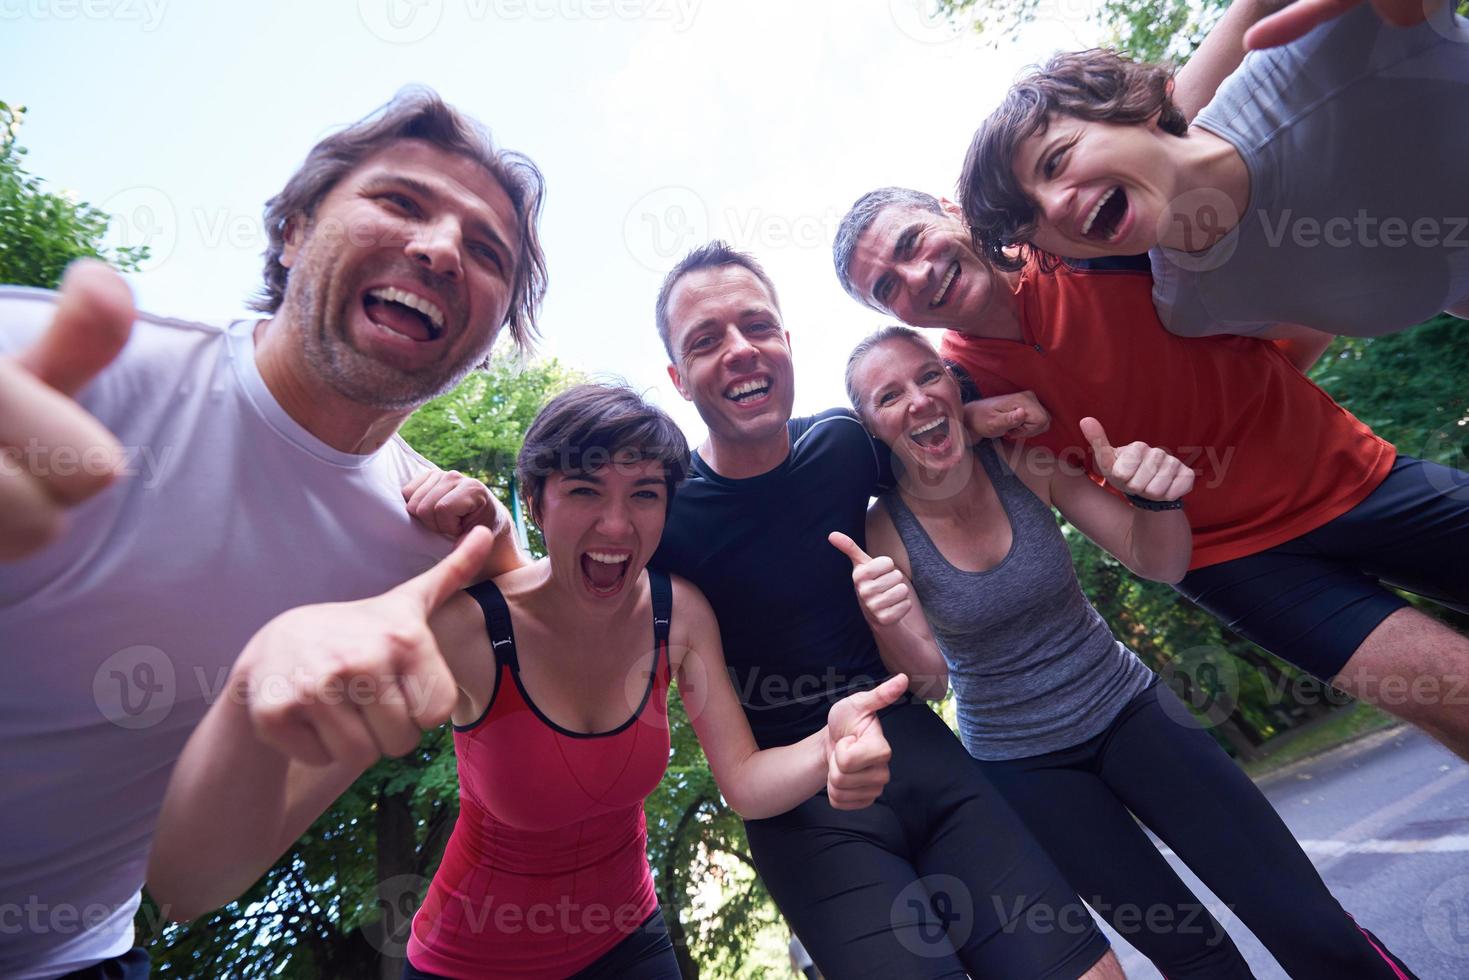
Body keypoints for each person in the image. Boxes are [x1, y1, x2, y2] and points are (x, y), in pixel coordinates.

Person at [0, 87, 543, 979]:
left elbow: (191, 880)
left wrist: (255, 704)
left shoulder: (420, 561)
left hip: (73, 958)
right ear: (292, 232)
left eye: (486, 251)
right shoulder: (66, 368)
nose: (442, 248)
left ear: (485, 343)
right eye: (400, 201)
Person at [147, 383, 906, 980]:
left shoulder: (680, 614)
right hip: (469, 962)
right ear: (537, 500)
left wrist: (826, 742)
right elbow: (195, 880)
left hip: (630, 942)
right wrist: (255, 689)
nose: (617, 525)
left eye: (644, 493)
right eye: (583, 491)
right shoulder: (470, 634)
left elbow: (742, 782)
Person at [842, 324, 1420, 980]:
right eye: (888, 397)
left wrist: (1154, 497)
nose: (917, 400)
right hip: (1022, 764)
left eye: (927, 376)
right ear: (869, 427)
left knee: (1300, 915)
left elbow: (1156, 558)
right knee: (1190, 954)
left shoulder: (1023, 463)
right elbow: (928, 680)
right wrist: (883, 618)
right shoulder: (882, 529)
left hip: (1128, 708)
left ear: (952, 385)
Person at [834, 186, 1469, 762]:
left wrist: (1256, 387)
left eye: (912, 243)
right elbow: (892, 451)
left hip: (1351, 474)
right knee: (1450, 695)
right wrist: (969, 417)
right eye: (886, 289)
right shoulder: (952, 385)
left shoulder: (1082, 243)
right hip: (1234, 563)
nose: (917, 277)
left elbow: (1278, 278)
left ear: (952, 209)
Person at [650, 241, 1125, 979]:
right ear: (678, 380)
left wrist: (984, 412)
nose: (740, 351)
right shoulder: (664, 517)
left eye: (757, 327)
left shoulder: (841, 443)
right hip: (803, 814)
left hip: (924, 757)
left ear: (785, 342)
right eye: (706, 341)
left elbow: (925, 440)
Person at [958, 3, 1469, 338]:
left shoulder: (1323, 41)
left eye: (1055, 161)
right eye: (1033, 222)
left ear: (1129, 106)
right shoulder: (1194, 306)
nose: (1053, 206)